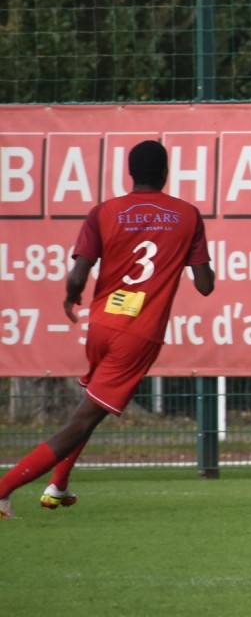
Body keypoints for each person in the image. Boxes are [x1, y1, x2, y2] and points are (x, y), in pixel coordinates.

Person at [0, 140, 215, 520]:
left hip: (101, 323)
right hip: (139, 332)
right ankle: (4, 489)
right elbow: (204, 284)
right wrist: (190, 258)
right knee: (82, 418)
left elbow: (77, 275)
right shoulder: (187, 215)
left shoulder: (104, 212)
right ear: (166, 173)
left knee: (93, 409)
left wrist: (71, 298)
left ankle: (59, 485)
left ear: (131, 173)